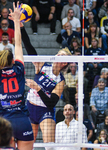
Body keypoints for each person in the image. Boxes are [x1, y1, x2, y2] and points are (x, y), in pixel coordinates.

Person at [0, 5, 34, 150]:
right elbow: (18, 45)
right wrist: (17, 22)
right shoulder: (19, 69)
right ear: (13, 61)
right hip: (23, 121)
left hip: (4, 123)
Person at [20, 17, 71, 150]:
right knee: (27, 145)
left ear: (65, 63)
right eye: (59, 54)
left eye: (62, 56)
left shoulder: (60, 80)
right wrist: (21, 28)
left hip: (45, 111)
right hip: (30, 107)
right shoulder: (43, 65)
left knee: (49, 146)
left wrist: (37, 88)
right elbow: (30, 48)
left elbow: (51, 103)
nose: (58, 56)